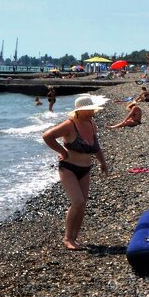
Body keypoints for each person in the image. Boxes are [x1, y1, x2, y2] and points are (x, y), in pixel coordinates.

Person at [42, 95, 109, 250]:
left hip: (85, 169)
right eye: (89, 109)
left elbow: (96, 146)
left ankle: (74, 238)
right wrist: (62, 151)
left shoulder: (92, 124)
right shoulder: (70, 125)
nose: (93, 111)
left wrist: (103, 163)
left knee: (82, 204)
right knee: (77, 202)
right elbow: (47, 136)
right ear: (80, 111)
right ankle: (67, 238)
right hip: (69, 168)